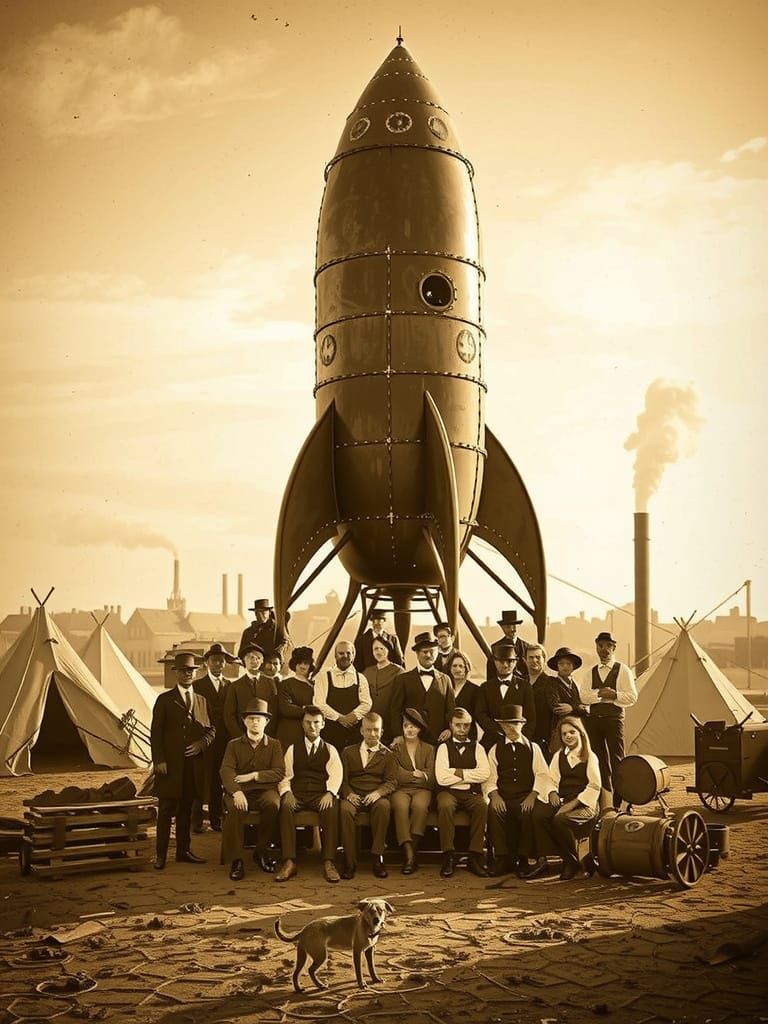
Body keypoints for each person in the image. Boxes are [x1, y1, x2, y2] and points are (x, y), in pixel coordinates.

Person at [150, 651, 215, 870]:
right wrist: (159, 760)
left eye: (191, 671)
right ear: (176, 673)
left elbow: (211, 729)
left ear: (195, 673)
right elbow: (156, 733)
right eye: (183, 671)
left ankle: (183, 851)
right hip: (169, 765)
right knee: (166, 809)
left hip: (192, 766)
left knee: (186, 808)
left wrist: (201, 744)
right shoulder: (164, 700)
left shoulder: (201, 700)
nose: (188, 674)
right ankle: (160, 855)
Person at [526, 715, 601, 880]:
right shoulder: (559, 755)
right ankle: (559, 857)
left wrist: (572, 804)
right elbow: (551, 779)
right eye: (564, 734)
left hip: (585, 804)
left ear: (580, 733)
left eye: (572, 732)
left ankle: (572, 861)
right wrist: (552, 792)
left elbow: (594, 786)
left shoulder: (590, 757)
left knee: (560, 819)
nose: (568, 736)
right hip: (564, 800)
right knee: (539, 815)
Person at [274, 705, 342, 884]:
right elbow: (285, 775)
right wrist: (287, 792)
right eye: (308, 722)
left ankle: (329, 861)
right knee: (285, 806)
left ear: (323, 724)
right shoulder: (292, 749)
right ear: (302, 724)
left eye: (316, 722)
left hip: (319, 795)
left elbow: (336, 775)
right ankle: (289, 861)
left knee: (331, 807)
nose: (312, 726)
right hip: (298, 794)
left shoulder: (330, 750)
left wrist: (330, 792)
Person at [220, 698, 285, 881]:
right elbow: (226, 771)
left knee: (273, 804)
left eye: (259, 719)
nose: (255, 722)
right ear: (244, 721)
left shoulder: (274, 744)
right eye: (250, 719)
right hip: (240, 791)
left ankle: (261, 851)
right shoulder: (234, 744)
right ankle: (237, 860)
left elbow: (279, 772)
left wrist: (255, 775)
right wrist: (236, 792)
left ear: (267, 721)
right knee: (235, 808)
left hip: (264, 790)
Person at [483, 706, 548, 876]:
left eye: (514, 724)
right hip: (503, 796)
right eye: (506, 725)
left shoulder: (533, 748)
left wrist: (533, 795)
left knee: (528, 812)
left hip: (525, 796)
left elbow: (542, 775)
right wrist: (494, 795)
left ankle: (524, 859)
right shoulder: (495, 749)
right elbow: (490, 777)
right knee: (494, 811)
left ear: (522, 724)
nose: (510, 728)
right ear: (501, 726)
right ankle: (503, 859)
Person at [578, 631, 637, 807]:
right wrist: (600, 695)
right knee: (598, 760)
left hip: (614, 720)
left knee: (617, 759)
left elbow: (632, 696)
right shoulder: (591, 672)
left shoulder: (623, 669)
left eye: (608, 646)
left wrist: (615, 695)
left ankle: (621, 800)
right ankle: (605, 799)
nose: (604, 650)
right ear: (596, 647)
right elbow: (583, 696)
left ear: (614, 648)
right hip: (594, 721)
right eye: (600, 646)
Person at [339, 712, 397, 880]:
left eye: (376, 730)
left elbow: (392, 782)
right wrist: (348, 793)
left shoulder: (388, 754)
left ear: (382, 731)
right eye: (368, 730)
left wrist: (378, 793)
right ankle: (349, 861)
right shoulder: (348, 752)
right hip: (354, 795)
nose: (372, 734)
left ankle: (378, 857)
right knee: (345, 810)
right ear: (361, 731)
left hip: (375, 795)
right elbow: (341, 779)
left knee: (384, 806)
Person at [435, 708, 490, 878]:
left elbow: (484, 774)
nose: (462, 729)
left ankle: (474, 856)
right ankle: (448, 856)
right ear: (450, 725)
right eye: (458, 725)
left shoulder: (478, 748)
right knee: (445, 805)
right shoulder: (443, 748)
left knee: (482, 806)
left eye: (466, 725)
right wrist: (470, 775)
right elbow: (441, 778)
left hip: (470, 793)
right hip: (448, 792)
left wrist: (456, 772)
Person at [192, 642, 237, 833]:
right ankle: (196, 821)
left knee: (219, 779)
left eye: (221, 661)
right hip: (203, 739)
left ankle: (216, 819)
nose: (218, 664)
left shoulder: (230, 686)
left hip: (223, 740)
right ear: (207, 662)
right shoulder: (197, 685)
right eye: (215, 660)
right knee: (199, 779)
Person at [390, 708, 436, 874]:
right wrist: (416, 775)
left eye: (414, 726)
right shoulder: (396, 747)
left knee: (420, 807)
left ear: (420, 728)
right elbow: (395, 774)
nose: (410, 729)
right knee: (400, 807)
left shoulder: (429, 749)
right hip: (400, 789)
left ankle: (410, 854)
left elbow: (431, 776)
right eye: (406, 726)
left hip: (422, 790)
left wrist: (422, 776)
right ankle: (410, 855)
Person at [390, 632, 455, 744]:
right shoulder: (403, 679)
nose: (428, 655)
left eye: (432, 651)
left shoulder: (446, 679)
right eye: (425, 652)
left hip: (439, 740)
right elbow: (395, 710)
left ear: (437, 652)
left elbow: (451, 709)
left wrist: (449, 729)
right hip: (411, 739)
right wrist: (398, 734)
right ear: (417, 653)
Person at [476, 642, 536, 750]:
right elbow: (480, 715)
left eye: (509, 661)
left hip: (519, 741)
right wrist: (498, 732)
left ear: (515, 662)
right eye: (501, 661)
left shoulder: (525, 686)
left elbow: (530, 717)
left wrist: (518, 737)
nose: (505, 665)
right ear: (495, 662)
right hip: (492, 741)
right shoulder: (485, 687)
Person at [314, 641, 372, 751]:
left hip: (354, 733)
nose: (345, 656)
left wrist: (353, 716)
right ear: (335, 656)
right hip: (330, 732)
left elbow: (367, 703)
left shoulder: (361, 678)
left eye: (348, 653)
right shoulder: (323, 677)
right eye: (341, 653)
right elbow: (319, 703)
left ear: (353, 655)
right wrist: (340, 718)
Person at [223, 643, 278, 740]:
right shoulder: (235, 686)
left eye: (258, 658)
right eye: (251, 657)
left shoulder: (270, 683)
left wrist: (265, 736)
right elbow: (229, 716)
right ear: (244, 660)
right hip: (242, 738)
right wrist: (241, 737)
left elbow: (274, 711)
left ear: (262, 661)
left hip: (265, 738)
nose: (254, 660)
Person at [544, 647, 587, 751]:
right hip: (560, 727)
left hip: (578, 728)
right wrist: (579, 708)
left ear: (573, 666)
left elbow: (586, 708)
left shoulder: (577, 685)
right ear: (557, 666)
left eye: (568, 664)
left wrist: (572, 708)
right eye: (561, 664)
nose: (565, 666)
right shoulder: (552, 682)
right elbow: (556, 707)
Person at [363, 636, 403, 743]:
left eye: (382, 648)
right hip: (370, 725)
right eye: (376, 649)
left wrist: (398, 732)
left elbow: (401, 703)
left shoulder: (399, 672)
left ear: (388, 650)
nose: (379, 652)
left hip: (390, 725)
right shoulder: (367, 672)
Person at [276, 646, 316, 752]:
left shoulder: (314, 685)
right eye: (299, 663)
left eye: (306, 663)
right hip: (290, 730)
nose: (303, 666)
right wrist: (308, 710)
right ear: (294, 664)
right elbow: (286, 708)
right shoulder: (286, 684)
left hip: (310, 731)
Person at [525, 644, 556, 758]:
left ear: (544, 660)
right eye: (531, 657)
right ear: (525, 660)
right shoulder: (519, 682)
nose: (534, 660)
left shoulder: (551, 683)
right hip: (523, 737)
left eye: (538, 657)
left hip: (543, 738)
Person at [238, 597, 288, 663]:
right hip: (253, 665)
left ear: (269, 613)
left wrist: (275, 655)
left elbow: (284, 643)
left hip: (271, 664)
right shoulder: (248, 632)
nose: (260, 615)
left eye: (263, 612)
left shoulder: (277, 628)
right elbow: (241, 653)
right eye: (257, 613)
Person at [354, 608, 404, 672]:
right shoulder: (362, 640)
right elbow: (358, 663)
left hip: (389, 675)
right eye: (375, 621)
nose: (378, 624)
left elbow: (399, 661)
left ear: (385, 623)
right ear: (372, 623)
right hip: (369, 676)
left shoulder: (393, 639)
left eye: (381, 621)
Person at [485, 610, 531, 680]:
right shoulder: (495, 648)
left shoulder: (527, 647)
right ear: (502, 628)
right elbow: (491, 674)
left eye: (514, 626)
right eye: (508, 626)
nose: (513, 629)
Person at [445, 650, 480, 739]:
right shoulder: (444, 687)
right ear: (450, 668)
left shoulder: (475, 690)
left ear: (466, 668)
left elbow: (478, 715)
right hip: (448, 735)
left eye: (461, 666)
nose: (457, 669)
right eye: (454, 666)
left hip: (468, 734)